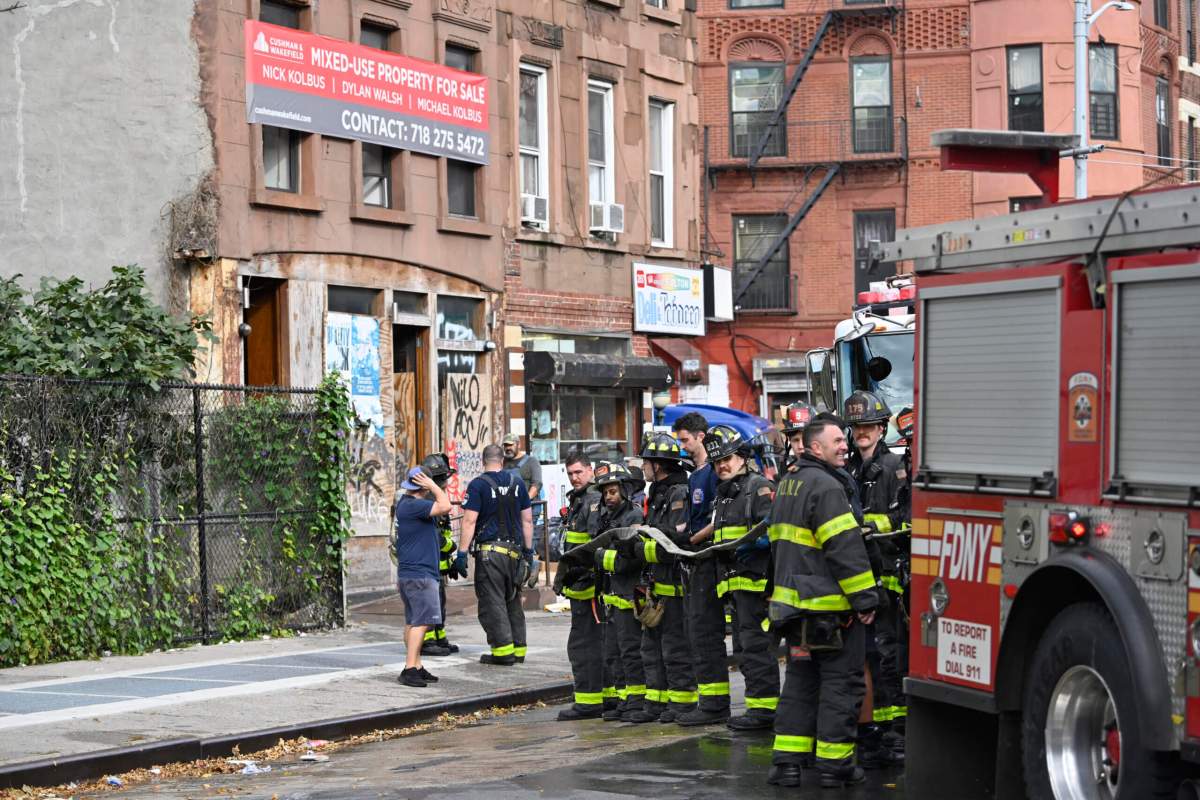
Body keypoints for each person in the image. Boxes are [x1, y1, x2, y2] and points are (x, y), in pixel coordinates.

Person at [766, 416, 880, 789]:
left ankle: (787, 763)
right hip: (830, 612)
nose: (845, 445)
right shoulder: (827, 487)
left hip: (793, 609)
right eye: (836, 441)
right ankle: (835, 765)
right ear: (816, 448)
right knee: (840, 685)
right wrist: (864, 599)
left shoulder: (788, 484)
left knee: (800, 683)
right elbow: (844, 549)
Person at [845, 390, 910, 764]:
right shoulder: (851, 468)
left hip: (885, 574)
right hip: (858, 575)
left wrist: (868, 524)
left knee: (888, 653)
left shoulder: (891, 469)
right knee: (865, 655)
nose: (862, 433)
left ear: (882, 428)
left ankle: (894, 730)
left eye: (868, 426)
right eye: (856, 427)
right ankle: (872, 728)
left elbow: (901, 522)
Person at [705, 424, 778, 731]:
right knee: (745, 649)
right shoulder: (724, 495)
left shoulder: (758, 486)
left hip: (756, 584)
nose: (723, 465)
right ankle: (757, 707)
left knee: (756, 647)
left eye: (728, 458)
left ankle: (765, 711)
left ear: (743, 457)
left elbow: (774, 530)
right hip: (735, 586)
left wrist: (758, 543)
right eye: (717, 461)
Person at [634, 433, 697, 724]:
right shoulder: (658, 492)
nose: (643, 467)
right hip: (657, 585)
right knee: (651, 648)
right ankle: (656, 703)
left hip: (675, 585)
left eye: (646, 461)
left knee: (675, 648)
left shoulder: (678, 492)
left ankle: (682, 704)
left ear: (658, 465)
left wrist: (640, 548)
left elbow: (674, 541)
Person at [671, 411, 728, 726]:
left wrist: (692, 537)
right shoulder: (695, 475)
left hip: (707, 559)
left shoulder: (712, 473)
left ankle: (715, 706)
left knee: (706, 632)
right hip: (694, 559)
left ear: (701, 437)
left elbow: (718, 517)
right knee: (696, 632)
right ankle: (710, 702)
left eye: (685, 440)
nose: (682, 446)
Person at [455, 444, 535, 666]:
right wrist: (529, 553)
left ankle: (502, 653)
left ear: (483, 461)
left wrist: (461, 553)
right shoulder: (517, 484)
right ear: (502, 461)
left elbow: (470, 521)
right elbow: (527, 521)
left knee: (493, 602)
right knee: (513, 601)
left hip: (490, 556)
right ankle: (518, 650)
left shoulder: (478, 485)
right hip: (515, 554)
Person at [591, 462, 646, 721]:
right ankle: (624, 699)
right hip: (611, 596)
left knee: (630, 651)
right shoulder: (607, 518)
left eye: (612, 492)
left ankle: (636, 701)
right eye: (605, 493)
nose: (608, 497)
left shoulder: (633, 516)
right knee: (613, 653)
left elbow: (632, 558)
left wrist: (602, 557)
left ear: (624, 490)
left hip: (628, 596)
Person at [554, 451, 606, 721]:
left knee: (584, 645)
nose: (574, 478)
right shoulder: (580, 500)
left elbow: (595, 543)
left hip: (590, 589)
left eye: (579, 472)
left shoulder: (593, 500)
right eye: (570, 473)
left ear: (590, 470)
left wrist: (582, 572)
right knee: (588, 643)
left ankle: (589, 702)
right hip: (580, 587)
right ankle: (598, 698)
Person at [392, 466, 453, 687]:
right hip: (419, 574)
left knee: (413, 621)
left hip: (410, 573)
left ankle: (416, 665)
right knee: (423, 621)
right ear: (423, 485)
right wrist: (434, 486)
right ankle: (410, 668)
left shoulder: (405, 504)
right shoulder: (415, 505)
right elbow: (445, 505)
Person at [419, 453, 460, 658]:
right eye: (443, 478)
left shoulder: (437, 498)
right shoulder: (429, 501)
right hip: (428, 565)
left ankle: (439, 638)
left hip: (438, 566)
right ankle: (427, 642)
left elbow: (444, 531)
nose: (446, 482)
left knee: (438, 604)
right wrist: (452, 548)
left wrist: (450, 563)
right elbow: (437, 538)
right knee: (429, 605)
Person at [780, 402, 818, 471]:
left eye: (805, 439)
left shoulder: (831, 472)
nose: (800, 446)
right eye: (795, 440)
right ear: (790, 441)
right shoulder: (787, 473)